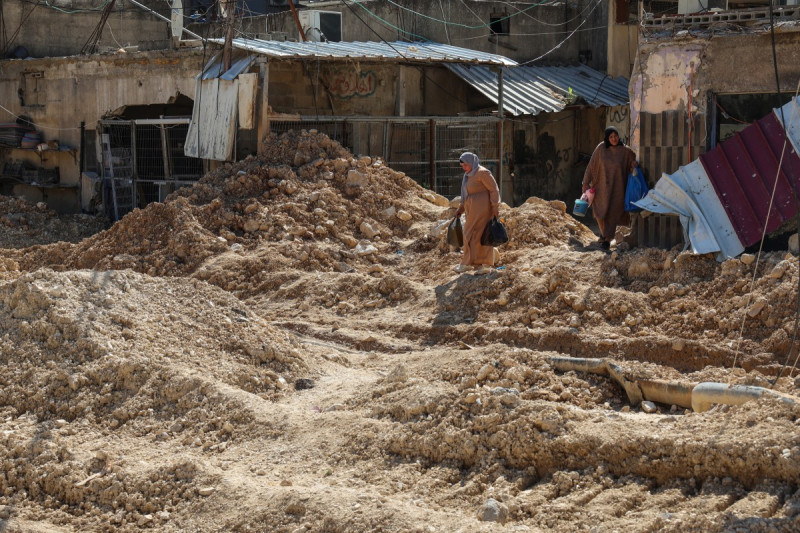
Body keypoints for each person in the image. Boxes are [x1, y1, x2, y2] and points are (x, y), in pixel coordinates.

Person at [581, 126, 638, 250]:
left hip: (617, 189)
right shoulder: (601, 148)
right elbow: (591, 166)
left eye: (615, 136)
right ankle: (604, 234)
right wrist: (585, 182)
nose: (614, 139)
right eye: (611, 137)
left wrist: (633, 164)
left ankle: (608, 239)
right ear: (607, 138)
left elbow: (632, 162)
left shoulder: (625, 151)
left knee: (612, 213)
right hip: (600, 187)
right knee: (599, 212)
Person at [452, 152, 500, 274]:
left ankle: (482, 265)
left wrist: (495, 207)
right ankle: (470, 264)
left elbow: (494, 189)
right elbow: (466, 195)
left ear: (471, 162)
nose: (464, 168)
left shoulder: (482, 173)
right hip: (472, 211)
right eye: (462, 166)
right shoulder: (468, 175)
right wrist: (461, 209)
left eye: (465, 165)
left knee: (481, 235)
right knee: (471, 235)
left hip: (483, 210)